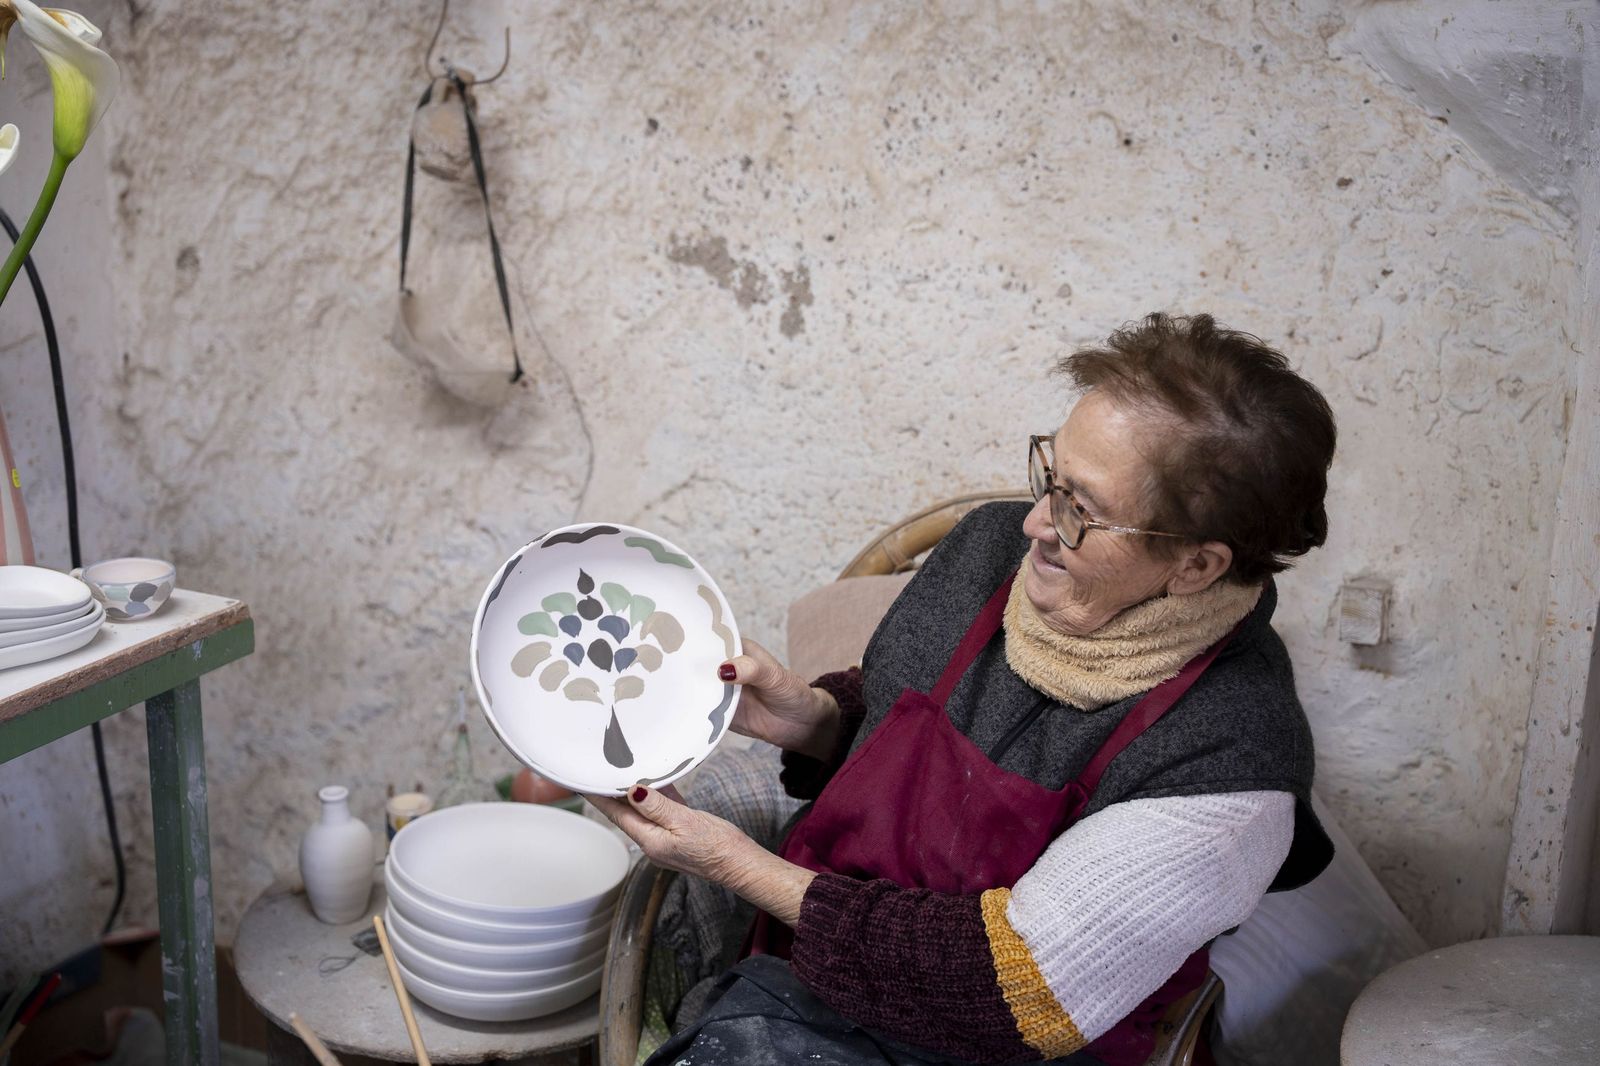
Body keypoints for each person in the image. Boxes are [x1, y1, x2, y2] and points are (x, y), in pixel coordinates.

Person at [590, 312, 1338, 1066]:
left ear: (1197, 567)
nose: (1036, 524)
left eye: (1083, 511)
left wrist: (734, 863)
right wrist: (811, 719)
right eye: (1052, 478)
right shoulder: (986, 552)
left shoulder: (1232, 759)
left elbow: (1016, 991)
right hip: (814, 983)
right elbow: (916, 739)